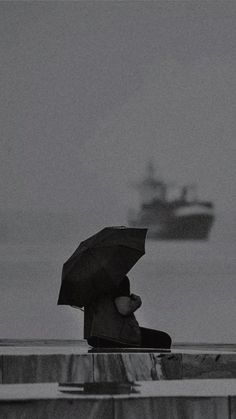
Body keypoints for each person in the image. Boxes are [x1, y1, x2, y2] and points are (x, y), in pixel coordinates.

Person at [84, 276, 171, 349]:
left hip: (94, 337)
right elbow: (124, 309)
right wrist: (137, 302)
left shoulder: (88, 281)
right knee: (164, 339)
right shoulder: (119, 278)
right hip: (115, 336)